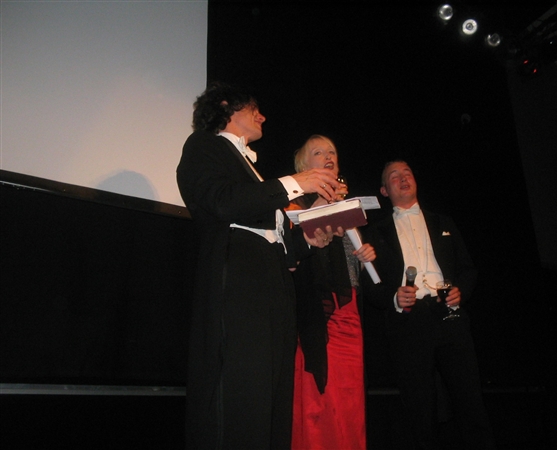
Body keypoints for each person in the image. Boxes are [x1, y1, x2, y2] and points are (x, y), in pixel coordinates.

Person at [176, 82, 343, 450]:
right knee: (243, 394)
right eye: (254, 108)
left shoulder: (253, 170)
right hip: (240, 283)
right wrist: (295, 182)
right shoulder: (204, 145)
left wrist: (309, 240)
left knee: (273, 398)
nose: (262, 116)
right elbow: (221, 201)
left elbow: (276, 240)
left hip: (273, 285)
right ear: (225, 106)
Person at [363, 160, 496, 449]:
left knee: (470, 399)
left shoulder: (443, 222)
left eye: (407, 173)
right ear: (384, 191)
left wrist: (461, 291)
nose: (403, 178)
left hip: (449, 314)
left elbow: (468, 269)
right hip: (408, 321)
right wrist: (393, 297)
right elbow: (369, 286)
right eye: (394, 176)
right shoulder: (374, 233)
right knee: (419, 406)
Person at [288, 135, 376, 450]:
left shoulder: (348, 208)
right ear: (304, 166)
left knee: (350, 401)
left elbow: (350, 273)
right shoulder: (293, 208)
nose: (328, 156)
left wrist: (365, 258)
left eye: (332, 152)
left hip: (350, 317)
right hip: (318, 318)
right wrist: (318, 209)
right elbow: (291, 263)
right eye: (318, 152)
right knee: (319, 401)